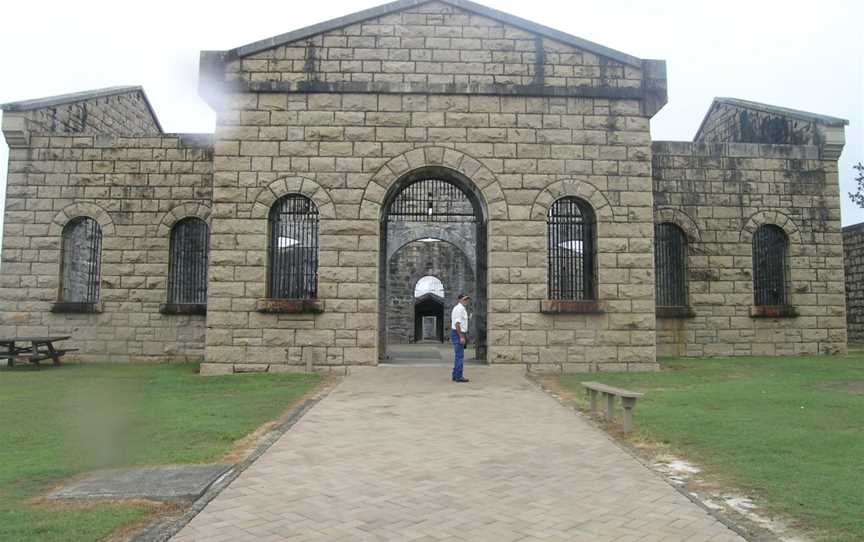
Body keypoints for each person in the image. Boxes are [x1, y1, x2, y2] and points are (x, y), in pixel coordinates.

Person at [450, 293, 470, 383]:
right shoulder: (459, 309)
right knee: (459, 356)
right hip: (458, 333)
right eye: (464, 299)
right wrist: (461, 336)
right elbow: (457, 324)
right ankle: (458, 376)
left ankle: (455, 375)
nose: (466, 301)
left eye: (467, 299)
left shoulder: (461, 308)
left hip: (459, 332)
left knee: (459, 355)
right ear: (460, 300)